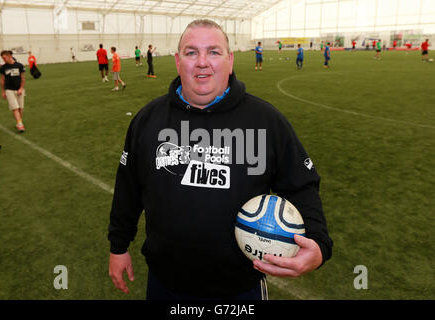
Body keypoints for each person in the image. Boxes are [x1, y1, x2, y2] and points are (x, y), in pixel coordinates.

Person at [108, 19, 333, 300]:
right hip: (166, 283)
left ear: (230, 61)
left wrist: (318, 244)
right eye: (191, 53)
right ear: (178, 62)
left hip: (240, 288)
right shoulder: (148, 121)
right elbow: (128, 189)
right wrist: (118, 246)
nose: (202, 62)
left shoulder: (265, 121)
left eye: (214, 52)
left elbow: (301, 185)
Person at [0, 50, 26, 133]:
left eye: (4, 58)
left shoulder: (20, 66)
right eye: (2, 58)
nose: (3, 60)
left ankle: (19, 121)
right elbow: (2, 80)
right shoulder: (3, 68)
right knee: (15, 108)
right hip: (9, 90)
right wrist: (3, 91)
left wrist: (21, 88)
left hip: (19, 89)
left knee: (20, 108)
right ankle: (20, 124)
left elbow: (23, 79)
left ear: (10, 56)